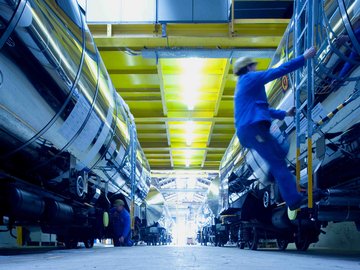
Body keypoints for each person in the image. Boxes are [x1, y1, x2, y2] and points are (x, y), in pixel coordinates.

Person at [233, 46, 317, 211]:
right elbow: (278, 71)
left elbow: (264, 109)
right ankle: (293, 200)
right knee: (278, 162)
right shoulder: (250, 79)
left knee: (280, 151)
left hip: (251, 129)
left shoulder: (245, 86)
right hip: (253, 128)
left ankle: (271, 174)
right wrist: (304, 57)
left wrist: (284, 113)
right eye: (253, 65)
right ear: (248, 67)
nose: (255, 67)